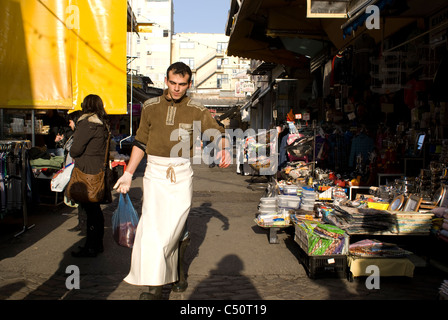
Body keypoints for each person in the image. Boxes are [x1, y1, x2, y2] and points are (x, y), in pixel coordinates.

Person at [113, 62, 231, 300]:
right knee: (153, 230)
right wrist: (128, 172)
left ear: (189, 84)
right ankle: (155, 288)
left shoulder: (197, 109)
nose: (177, 89)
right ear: (166, 81)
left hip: (181, 173)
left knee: (176, 228)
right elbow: (140, 143)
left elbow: (216, 132)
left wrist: (223, 149)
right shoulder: (149, 106)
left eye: (182, 84)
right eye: (173, 83)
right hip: (154, 173)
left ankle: (178, 271)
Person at [69, 95, 110, 258]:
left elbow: (75, 150)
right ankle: (96, 244)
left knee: (91, 210)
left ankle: (91, 246)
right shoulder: (102, 124)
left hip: (87, 171)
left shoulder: (87, 124)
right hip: (99, 169)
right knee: (95, 210)